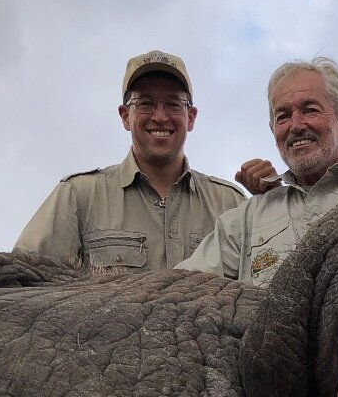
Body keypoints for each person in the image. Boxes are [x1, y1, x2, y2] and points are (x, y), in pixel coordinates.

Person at [177, 56, 338, 286]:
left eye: (310, 110)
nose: (296, 126)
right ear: (273, 130)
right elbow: (180, 287)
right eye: (283, 116)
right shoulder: (246, 219)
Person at [16, 51, 244, 272]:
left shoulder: (231, 205)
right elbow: (21, 281)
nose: (160, 117)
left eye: (173, 104)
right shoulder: (78, 196)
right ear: (125, 116)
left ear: (191, 117)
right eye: (146, 104)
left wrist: (273, 196)